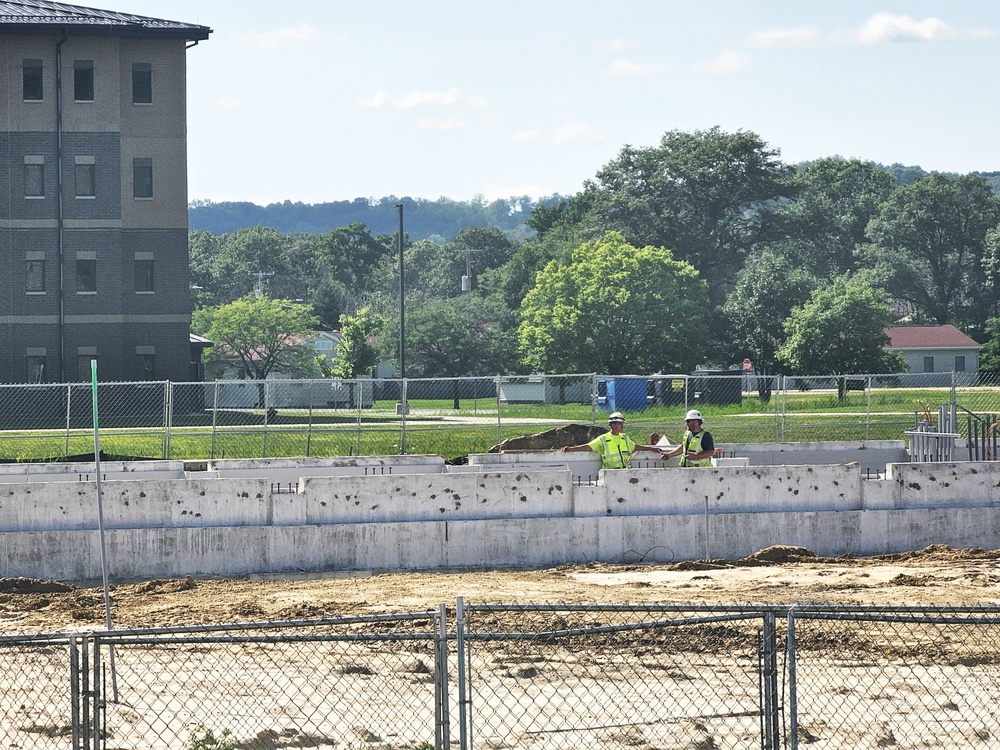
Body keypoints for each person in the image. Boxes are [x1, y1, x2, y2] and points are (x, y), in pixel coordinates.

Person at [563, 412, 664, 470]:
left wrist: (651, 448)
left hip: (625, 471)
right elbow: (588, 447)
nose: (622, 426)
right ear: (613, 425)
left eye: (621, 424)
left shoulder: (624, 437)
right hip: (610, 473)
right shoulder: (603, 439)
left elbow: (635, 446)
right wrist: (571, 449)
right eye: (620, 424)